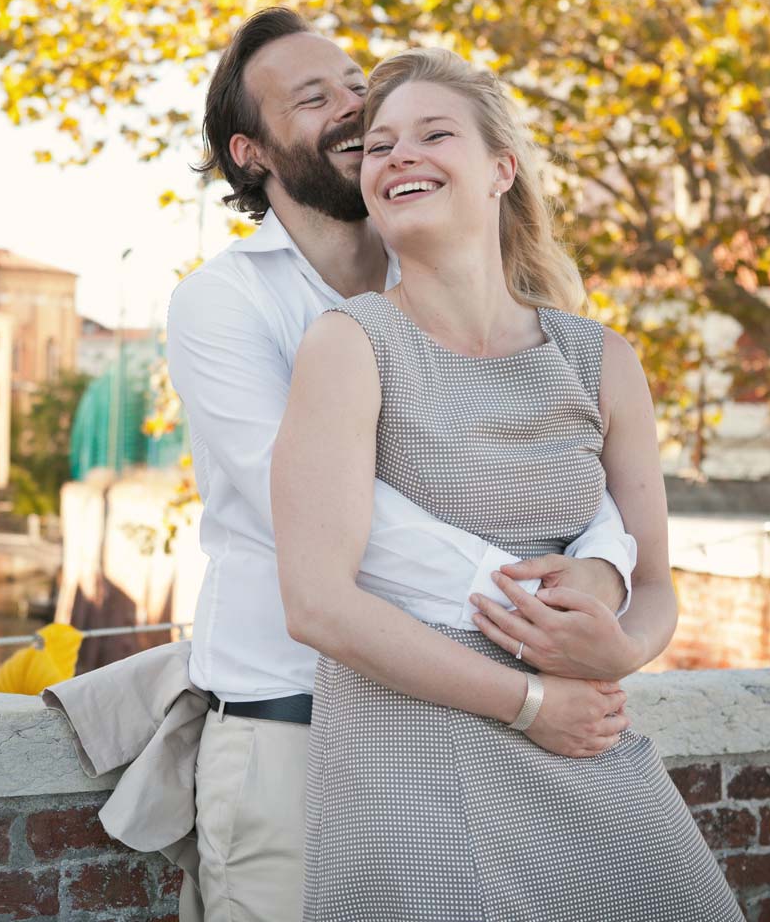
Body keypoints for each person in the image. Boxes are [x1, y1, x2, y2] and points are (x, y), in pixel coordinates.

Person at [169, 9, 680, 921]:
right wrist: (542, 630)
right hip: (294, 718)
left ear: (498, 170)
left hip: (508, 710)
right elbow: (328, 536)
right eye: (315, 98)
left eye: (357, 84)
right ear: (252, 154)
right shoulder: (230, 305)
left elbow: (587, 486)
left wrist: (604, 582)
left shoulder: (549, 328)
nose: (355, 110)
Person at [271, 47, 743, 920]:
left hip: (585, 743)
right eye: (378, 146)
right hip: (409, 750)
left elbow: (657, 584)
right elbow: (319, 605)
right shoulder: (349, 344)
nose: (398, 156)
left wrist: (626, 649)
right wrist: (531, 703)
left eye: (432, 134)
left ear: (501, 169)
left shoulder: (600, 360)